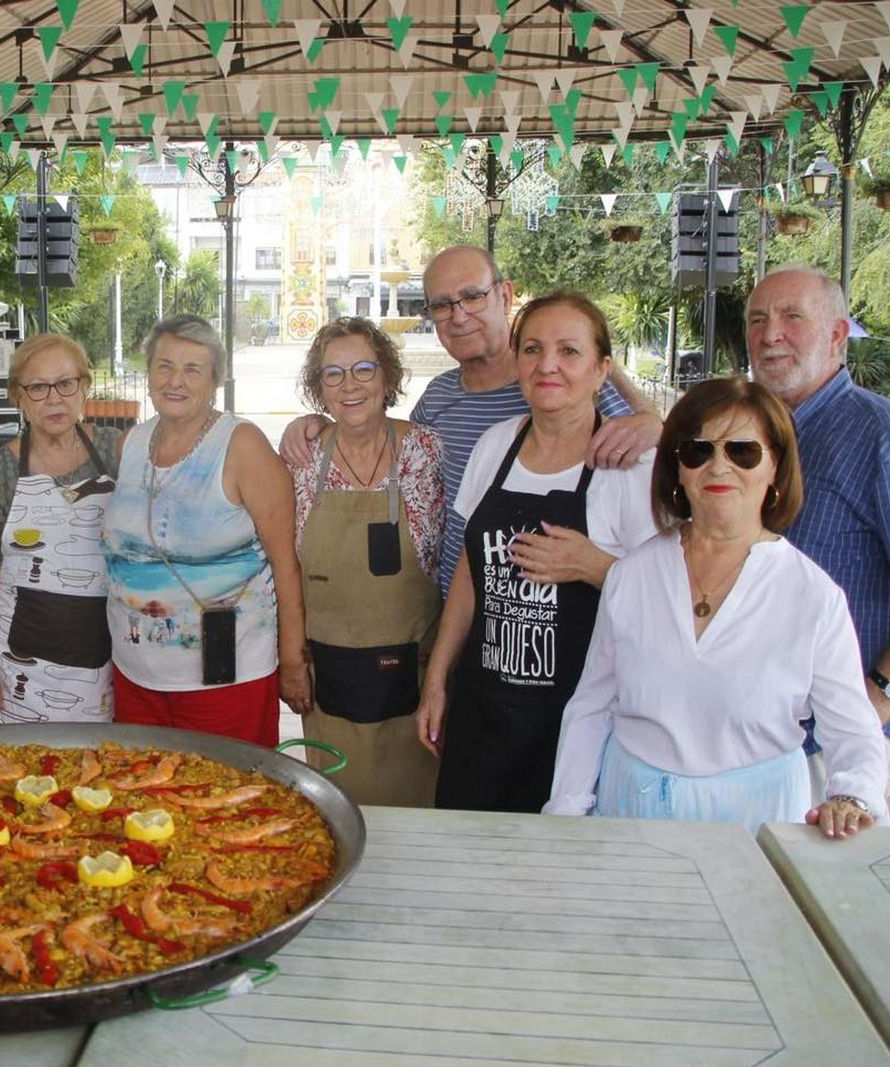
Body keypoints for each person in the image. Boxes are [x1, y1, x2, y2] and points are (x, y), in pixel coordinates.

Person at [545, 378, 890, 837]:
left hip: (758, 821)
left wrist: (851, 795)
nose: (718, 467)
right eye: (698, 451)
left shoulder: (813, 597)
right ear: (678, 469)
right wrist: (566, 813)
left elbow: (852, 728)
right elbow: (593, 705)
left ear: (775, 468)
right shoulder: (633, 575)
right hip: (631, 812)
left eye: (742, 451)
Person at [282, 245, 661, 592]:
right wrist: (318, 425)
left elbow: (650, 465)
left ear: (505, 295)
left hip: (555, 622)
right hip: (453, 612)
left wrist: (655, 423)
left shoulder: (561, 387)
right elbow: (385, 444)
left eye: (473, 296)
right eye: (443, 305)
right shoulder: (438, 398)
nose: (458, 316)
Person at [414, 293, 658, 813]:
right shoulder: (495, 444)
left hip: (580, 724)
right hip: (482, 712)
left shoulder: (632, 468)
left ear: (601, 370)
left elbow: (669, 599)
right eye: (532, 349)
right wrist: (437, 680)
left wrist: (594, 567)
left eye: (569, 351)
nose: (548, 365)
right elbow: (469, 571)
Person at [746, 265, 890, 801]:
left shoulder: (884, 434)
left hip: (831, 744)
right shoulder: (753, 431)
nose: (770, 334)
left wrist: (883, 695)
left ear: (836, 335)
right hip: (751, 730)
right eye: (757, 319)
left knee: (812, 883)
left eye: (791, 317)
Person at [104, 314, 312, 746]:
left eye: (192, 369)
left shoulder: (242, 445)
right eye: (164, 366)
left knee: (227, 798)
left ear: (215, 379)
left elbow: (285, 563)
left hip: (228, 676)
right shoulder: (132, 444)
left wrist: (292, 661)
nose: (175, 380)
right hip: (135, 674)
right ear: (148, 374)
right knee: (146, 800)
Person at [290, 318, 443, 805]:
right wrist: (290, 658)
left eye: (363, 369)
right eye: (333, 375)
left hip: (412, 682)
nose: (349, 385)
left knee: (417, 814)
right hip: (330, 682)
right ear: (319, 390)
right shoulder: (302, 458)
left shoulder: (426, 452)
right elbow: (284, 570)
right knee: (337, 809)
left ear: (388, 377)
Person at [0, 334, 122, 725]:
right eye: (38, 388)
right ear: (18, 396)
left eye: (66, 384)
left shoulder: (117, 450)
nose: (54, 398)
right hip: (24, 662)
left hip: (106, 657)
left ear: (84, 387)